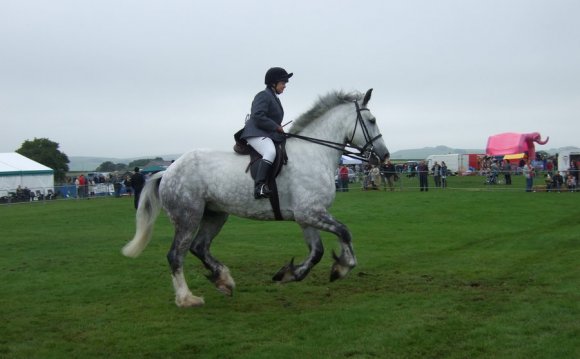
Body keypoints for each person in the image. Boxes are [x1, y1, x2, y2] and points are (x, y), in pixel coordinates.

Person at [240, 67, 293, 199]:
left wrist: (278, 128)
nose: (284, 86)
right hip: (255, 132)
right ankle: (259, 187)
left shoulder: (274, 97)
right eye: (283, 83)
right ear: (273, 83)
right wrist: (275, 126)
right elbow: (257, 116)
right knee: (270, 152)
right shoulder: (263, 95)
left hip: (266, 132)